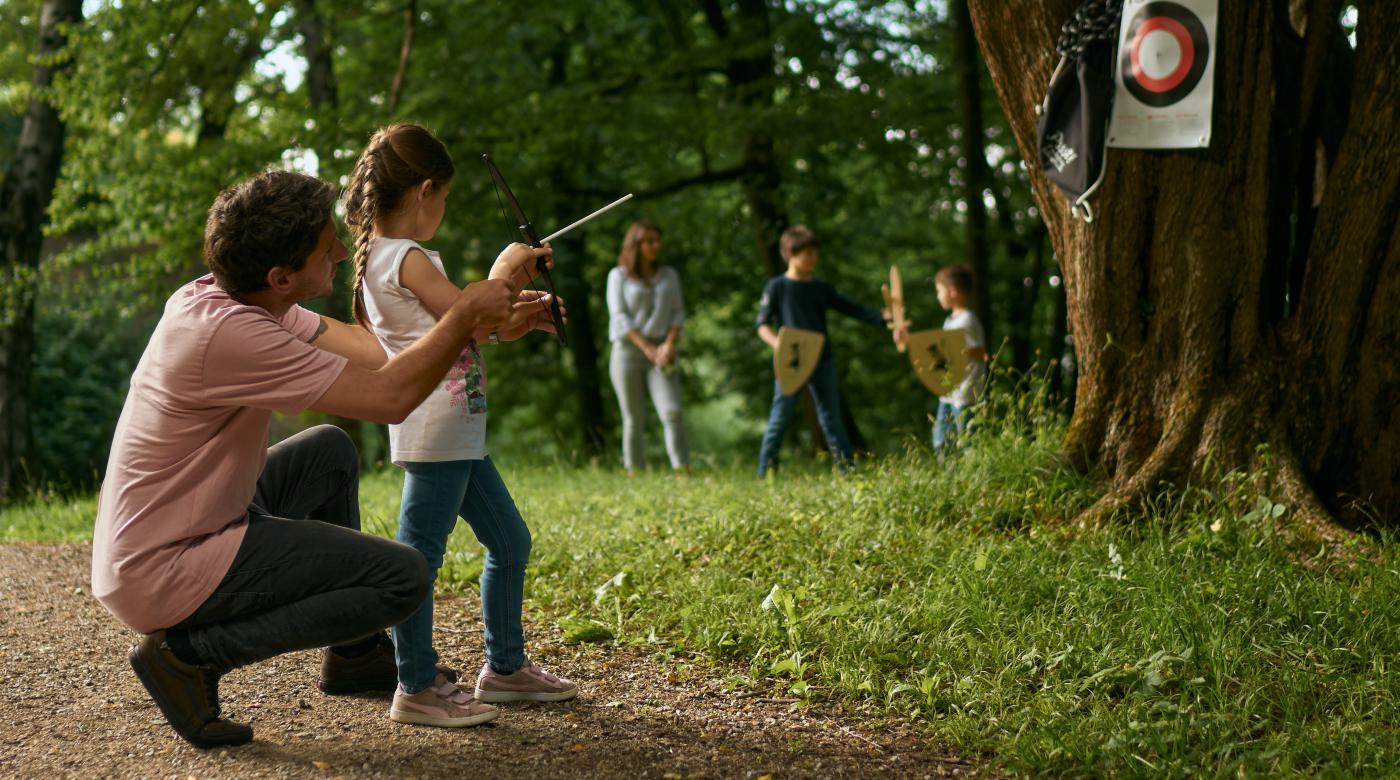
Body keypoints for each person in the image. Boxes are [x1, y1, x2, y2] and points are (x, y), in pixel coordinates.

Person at [91, 169, 532, 749]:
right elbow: (391, 398)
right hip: (164, 565)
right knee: (403, 577)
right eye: (328, 250)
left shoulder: (238, 298)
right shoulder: (234, 335)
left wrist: (491, 324)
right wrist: (462, 315)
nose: (344, 251)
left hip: (180, 525)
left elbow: (377, 355)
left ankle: (354, 654)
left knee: (327, 451)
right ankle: (188, 657)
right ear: (282, 276)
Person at [345, 123, 578, 729]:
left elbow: (470, 329)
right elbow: (467, 312)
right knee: (418, 558)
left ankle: (504, 669)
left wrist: (521, 311)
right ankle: (416, 684)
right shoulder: (407, 257)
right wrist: (505, 270)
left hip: (457, 431)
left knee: (509, 542)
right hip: (436, 429)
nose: (444, 208)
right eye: (444, 197)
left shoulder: (391, 258)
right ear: (425, 190)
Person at [755, 225, 891, 477]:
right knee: (779, 418)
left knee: (832, 419)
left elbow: (852, 308)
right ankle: (765, 474)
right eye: (806, 253)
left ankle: (848, 474)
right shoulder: (776, 287)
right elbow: (762, 325)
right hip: (791, 361)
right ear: (789, 253)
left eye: (814, 253)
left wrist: (882, 317)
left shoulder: (821, 288)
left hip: (822, 358)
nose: (812, 258)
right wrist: (779, 345)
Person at [605, 220, 690, 476]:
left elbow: (677, 313)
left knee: (672, 411)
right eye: (649, 241)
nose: (656, 246)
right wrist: (646, 348)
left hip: (662, 351)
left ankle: (682, 470)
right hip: (628, 351)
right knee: (633, 418)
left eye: (657, 240)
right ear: (636, 244)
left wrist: (668, 345)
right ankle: (635, 472)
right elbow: (619, 317)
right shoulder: (617, 276)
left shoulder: (669, 275)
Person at [927, 264, 988, 452]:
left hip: (965, 392)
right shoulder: (950, 321)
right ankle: (950, 476)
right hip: (949, 392)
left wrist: (958, 351)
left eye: (939, 291)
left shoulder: (967, 320)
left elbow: (981, 352)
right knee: (941, 440)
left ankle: (975, 475)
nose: (938, 296)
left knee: (968, 440)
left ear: (952, 291)